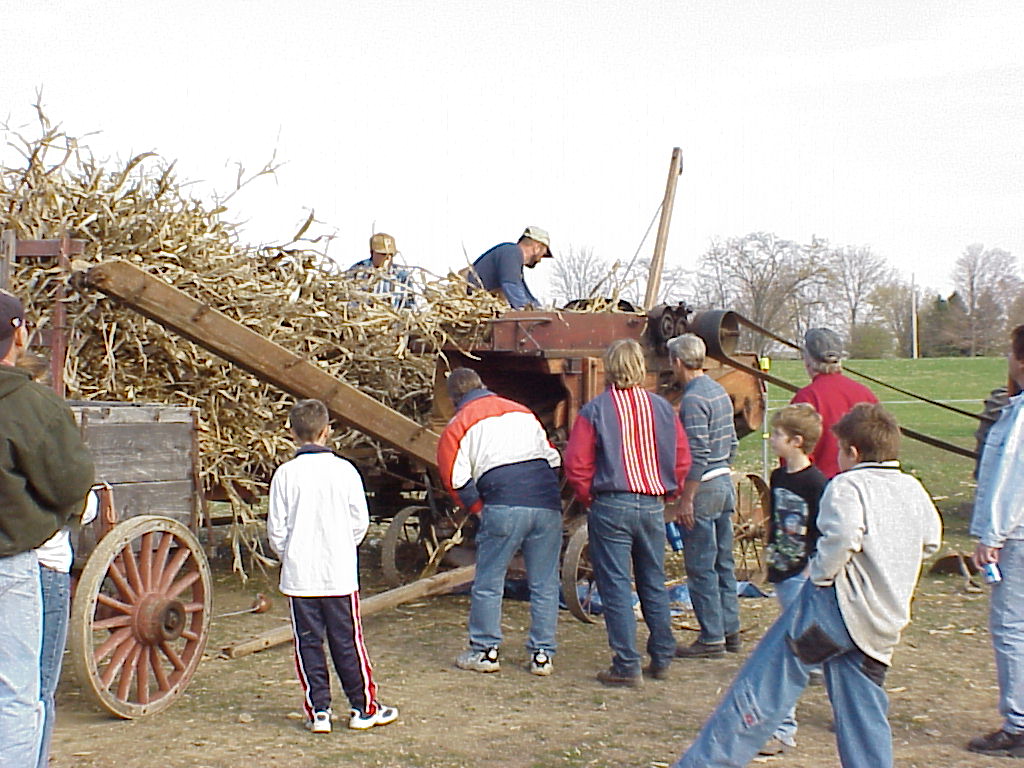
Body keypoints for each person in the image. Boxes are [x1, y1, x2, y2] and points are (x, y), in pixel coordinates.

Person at [671, 403, 942, 768]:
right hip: (882, 621)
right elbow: (930, 542)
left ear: (854, 452)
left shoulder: (848, 485)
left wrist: (821, 574)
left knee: (761, 689)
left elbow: (843, 535)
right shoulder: (914, 490)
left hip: (833, 612)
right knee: (864, 714)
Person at [0, 289, 95, 767]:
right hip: (14, 566)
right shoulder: (33, 406)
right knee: (21, 693)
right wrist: (54, 521)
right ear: (18, 334)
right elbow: (71, 486)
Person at [564, 339, 690, 686]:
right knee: (653, 580)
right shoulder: (663, 409)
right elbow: (682, 458)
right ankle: (662, 655)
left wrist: (591, 498)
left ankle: (627, 665)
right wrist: (671, 492)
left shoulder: (595, 410)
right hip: (652, 504)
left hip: (611, 503)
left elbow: (576, 464)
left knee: (616, 584)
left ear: (609, 367)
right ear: (640, 368)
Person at [267, 398, 398, 734]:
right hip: (338, 574)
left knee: (308, 642)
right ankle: (363, 707)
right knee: (347, 641)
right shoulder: (345, 471)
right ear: (327, 431)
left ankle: (319, 710)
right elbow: (359, 522)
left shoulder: (285, 474)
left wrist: (293, 555)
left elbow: (276, 530)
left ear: (293, 433)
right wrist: (340, 547)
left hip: (300, 577)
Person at [437, 368, 563, 675]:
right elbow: (553, 459)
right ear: (483, 385)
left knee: (489, 581)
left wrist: (480, 509)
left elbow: (454, 479)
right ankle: (542, 655)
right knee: (545, 583)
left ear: (455, 398)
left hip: (503, 503)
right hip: (546, 503)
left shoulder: (458, 424)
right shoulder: (522, 412)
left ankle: (485, 651)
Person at [967, 324, 1024, 759]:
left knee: (1010, 627)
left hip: (1017, 536)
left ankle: (1018, 722)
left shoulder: (1018, 418)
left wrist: (992, 535)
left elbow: (1010, 481)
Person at [759, 403, 828, 756]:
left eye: (779, 436)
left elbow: (823, 529)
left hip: (802, 576)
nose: (772, 440)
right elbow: (774, 517)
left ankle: (783, 730)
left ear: (797, 441)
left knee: (791, 649)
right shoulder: (778, 477)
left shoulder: (817, 484)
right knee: (811, 644)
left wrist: (810, 567)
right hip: (782, 571)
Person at [667, 333, 741, 659]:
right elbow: (733, 443)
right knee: (724, 562)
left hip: (704, 488)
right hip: (724, 482)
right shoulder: (719, 392)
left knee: (700, 566)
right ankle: (730, 630)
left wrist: (687, 498)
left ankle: (711, 638)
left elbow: (696, 453)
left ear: (679, 362)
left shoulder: (694, 401)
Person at [791, 327, 878, 478]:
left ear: (808, 361)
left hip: (822, 488)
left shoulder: (806, 397)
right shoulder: (866, 394)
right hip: (866, 483)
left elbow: (794, 455)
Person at [465, 226, 552, 309]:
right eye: (543, 254)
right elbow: (513, 289)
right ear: (537, 248)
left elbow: (525, 294)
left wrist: (540, 309)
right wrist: (530, 312)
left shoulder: (514, 259)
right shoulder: (512, 252)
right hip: (473, 304)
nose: (540, 259)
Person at [347, 232, 413, 309]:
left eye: (391, 254)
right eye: (383, 254)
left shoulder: (401, 276)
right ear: (372, 253)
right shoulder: (357, 272)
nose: (388, 258)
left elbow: (410, 305)